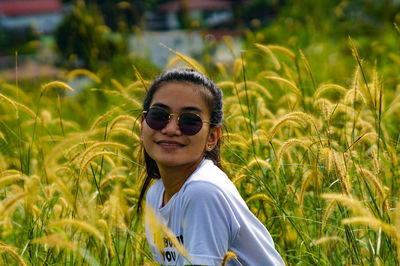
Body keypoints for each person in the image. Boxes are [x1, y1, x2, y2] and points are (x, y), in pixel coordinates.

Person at [137, 68, 284, 265]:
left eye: (190, 121)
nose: (171, 129)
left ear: (212, 137)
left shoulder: (203, 191)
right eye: (158, 116)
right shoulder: (156, 195)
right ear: (142, 126)